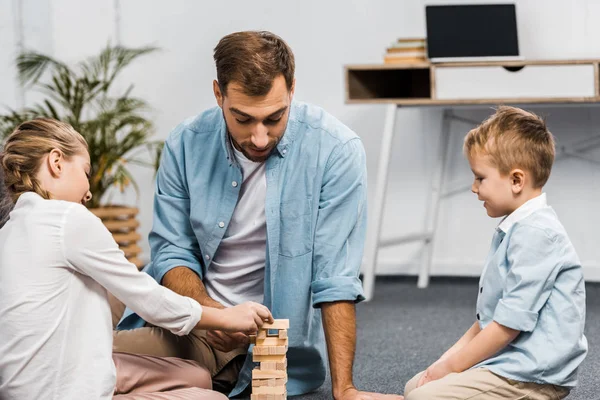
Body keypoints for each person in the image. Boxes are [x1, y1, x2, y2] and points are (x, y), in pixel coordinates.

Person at [113, 31, 401, 400]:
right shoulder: (184, 143)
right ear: (219, 94)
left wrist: (344, 389)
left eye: (274, 118)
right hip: (189, 319)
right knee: (81, 327)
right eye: (244, 119)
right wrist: (210, 312)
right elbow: (172, 251)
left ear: (292, 89)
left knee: (89, 360)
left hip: (256, 349)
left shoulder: (335, 150)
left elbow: (336, 276)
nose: (261, 138)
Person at [0, 118, 273, 400]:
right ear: (57, 162)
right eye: (85, 172)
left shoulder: (8, 232)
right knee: (213, 398)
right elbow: (149, 300)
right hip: (63, 389)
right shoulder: (68, 219)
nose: (89, 191)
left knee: (198, 376)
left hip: (32, 381)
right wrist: (227, 317)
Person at [403, 106, 588, 400]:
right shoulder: (515, 228)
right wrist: (442, 365)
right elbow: (487, 321)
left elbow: (506, 327)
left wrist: (452, 367)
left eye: (480, 178)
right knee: (415, 386)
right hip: (510, 361)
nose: (474, 188)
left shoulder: (536, 234)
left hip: (533, 375)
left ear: (516, 180)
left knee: (422, 396)